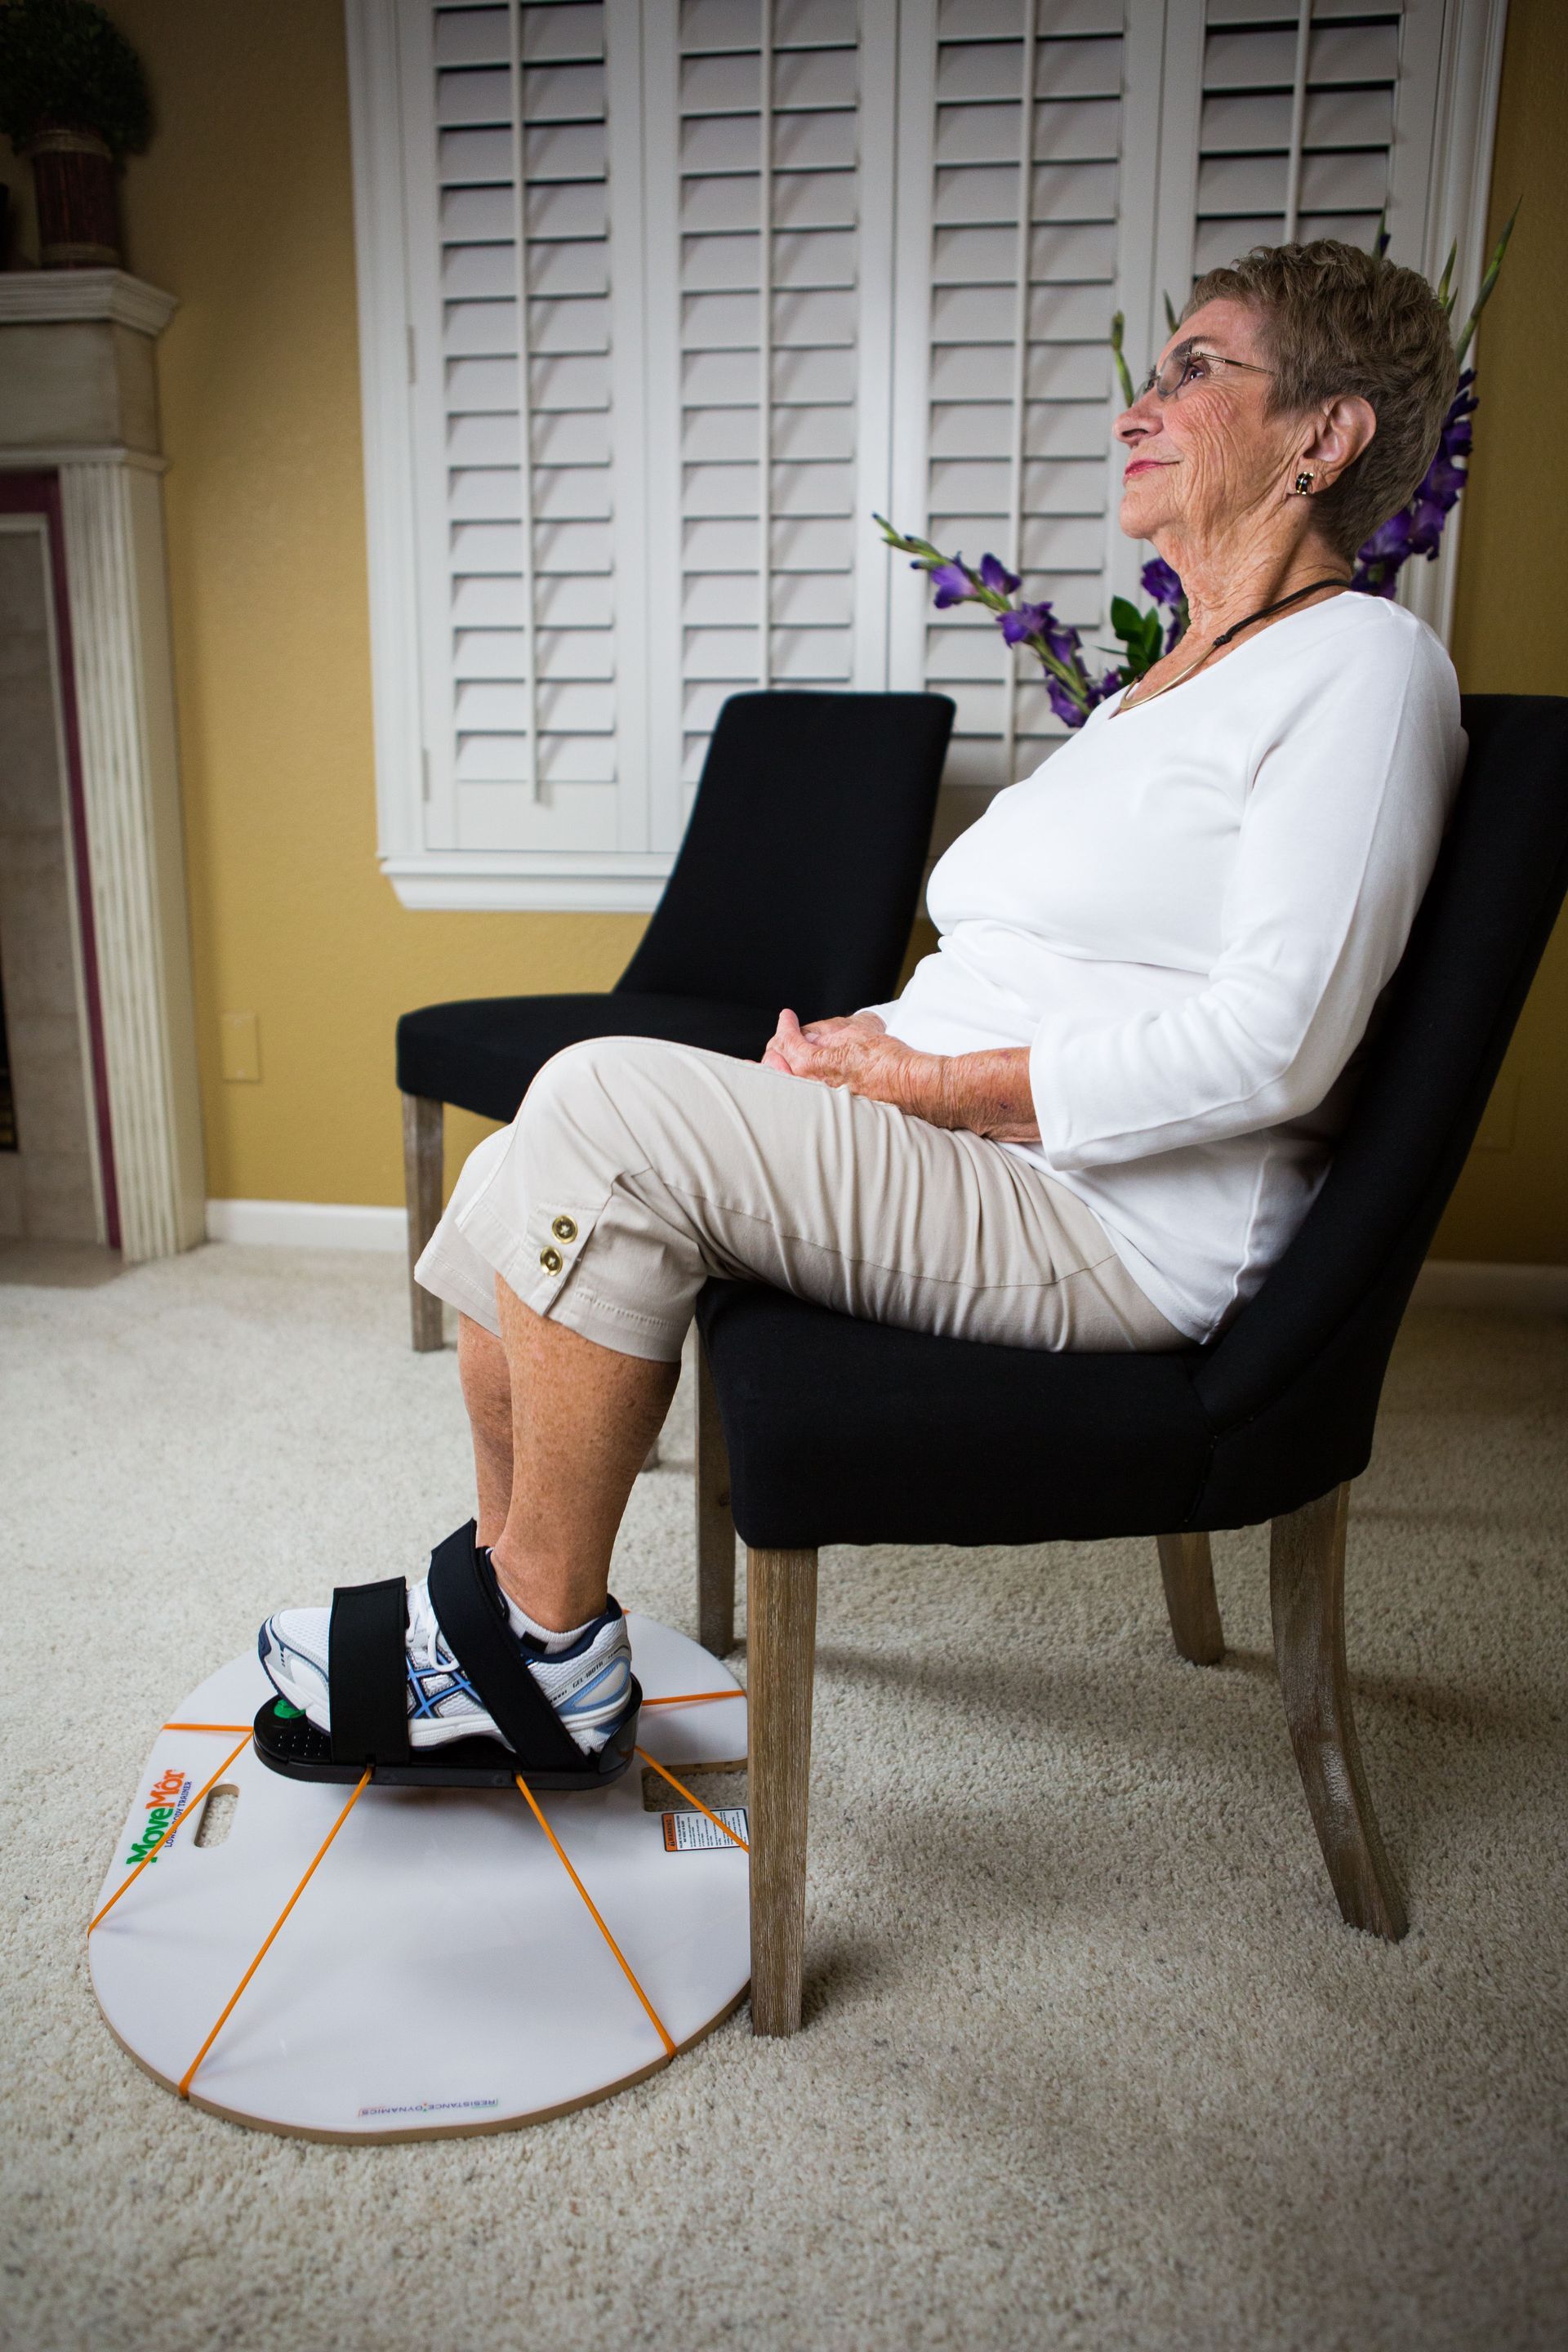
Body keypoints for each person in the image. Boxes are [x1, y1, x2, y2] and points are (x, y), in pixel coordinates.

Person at [260, 241, 1465, 1766]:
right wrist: (873, 1050)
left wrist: (931, 1088)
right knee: (517, 1167)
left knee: (601, 1100)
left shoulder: (1363, 671)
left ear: (1326, 434)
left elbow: (1281, 1048)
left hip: (1115, 1218)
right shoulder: (1161, 683)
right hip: (985, 1155)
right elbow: (1048, 959)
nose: (1138, 407)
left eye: (1194, 370)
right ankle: (501, 1616)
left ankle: (535, 1649)